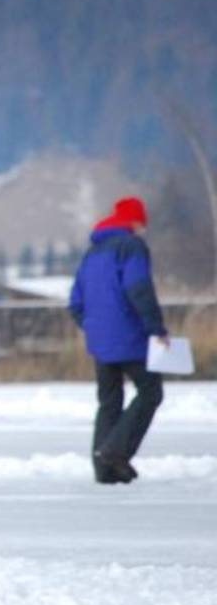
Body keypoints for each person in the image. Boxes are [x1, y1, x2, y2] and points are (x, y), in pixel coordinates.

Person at [69, 196, 167, 485]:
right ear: (135, 222)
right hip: (131, 337)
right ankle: (115, 451)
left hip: (100, 341)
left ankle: (104, 470)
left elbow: (75, 302)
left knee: (109, 401)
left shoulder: (93, 252)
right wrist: (156, 328)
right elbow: (138, 289)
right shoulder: (132, 247)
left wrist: (93, 327)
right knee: (151, 392)